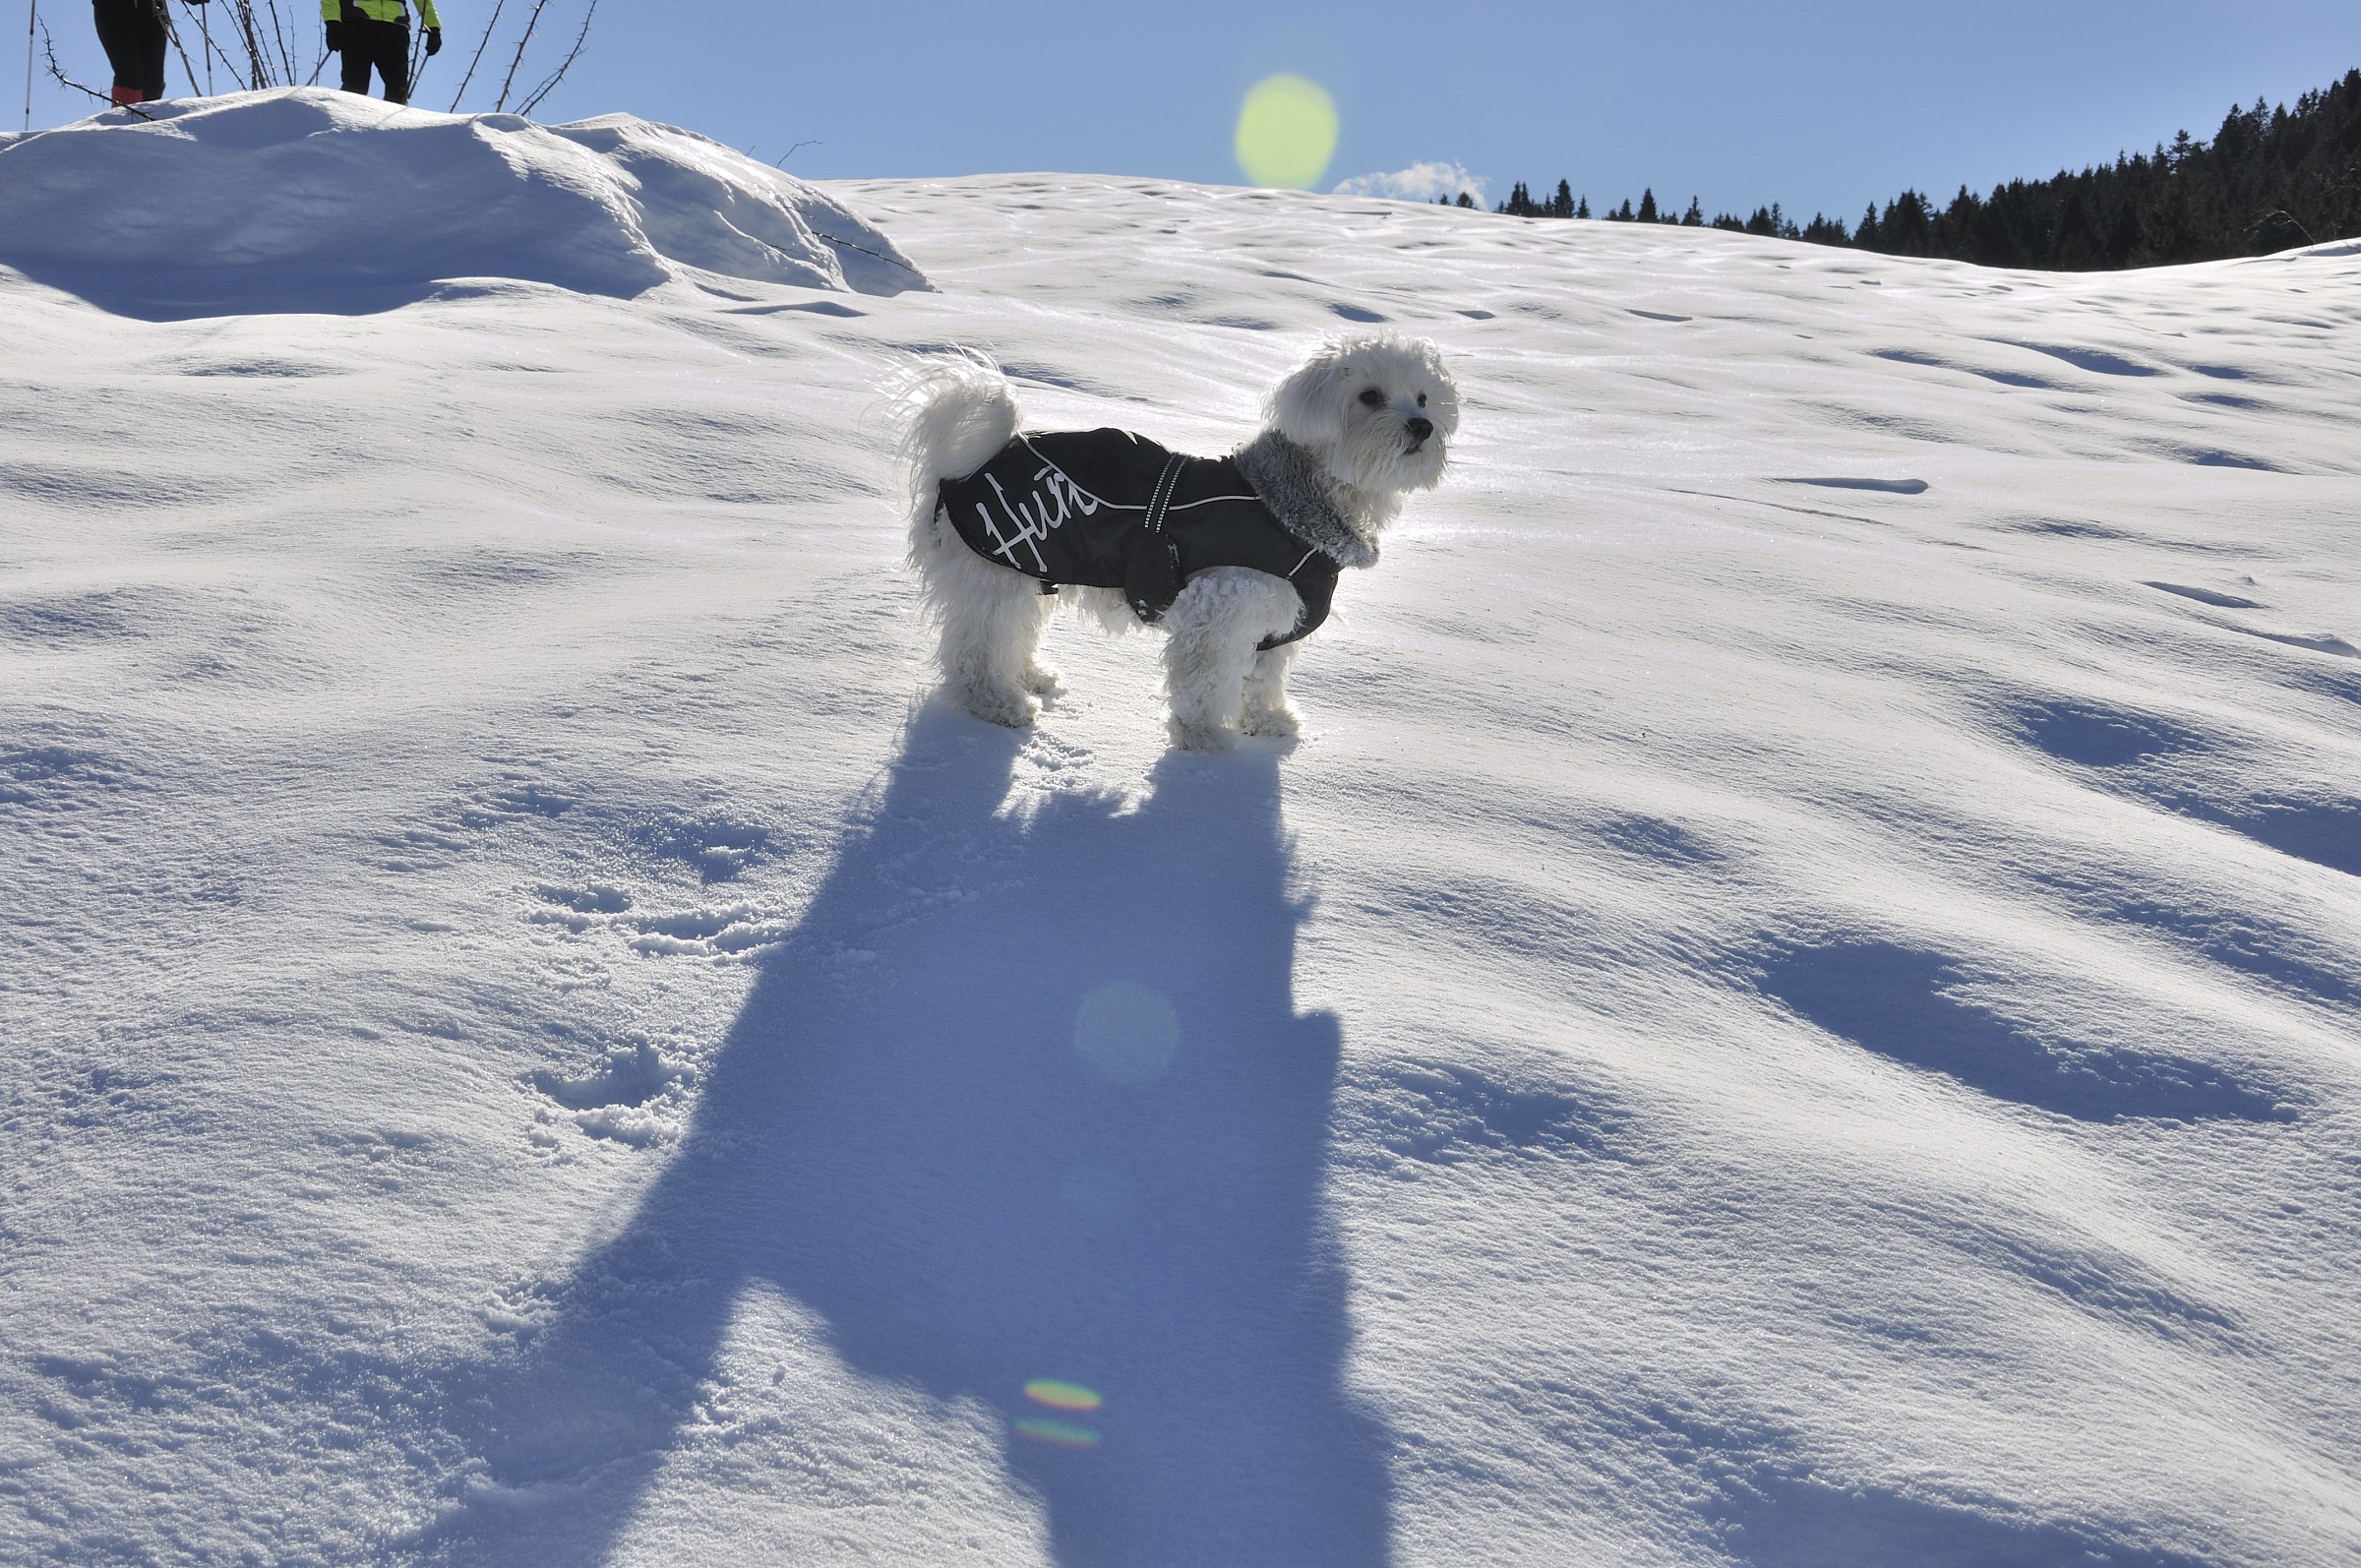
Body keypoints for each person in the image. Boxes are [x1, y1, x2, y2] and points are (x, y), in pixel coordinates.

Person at [324, 0, 442, 106]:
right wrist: (332, 22)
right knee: (354, 85)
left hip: (395, 27)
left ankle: (395, 123)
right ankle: (348, 121)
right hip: (358, 23)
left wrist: (433, 27)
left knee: (398, 89)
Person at [91, 0, 183, 107]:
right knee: (129, 75)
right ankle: (126, 116)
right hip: (113, 7)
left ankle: (147, 116)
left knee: (153, 84)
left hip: (154, 10)